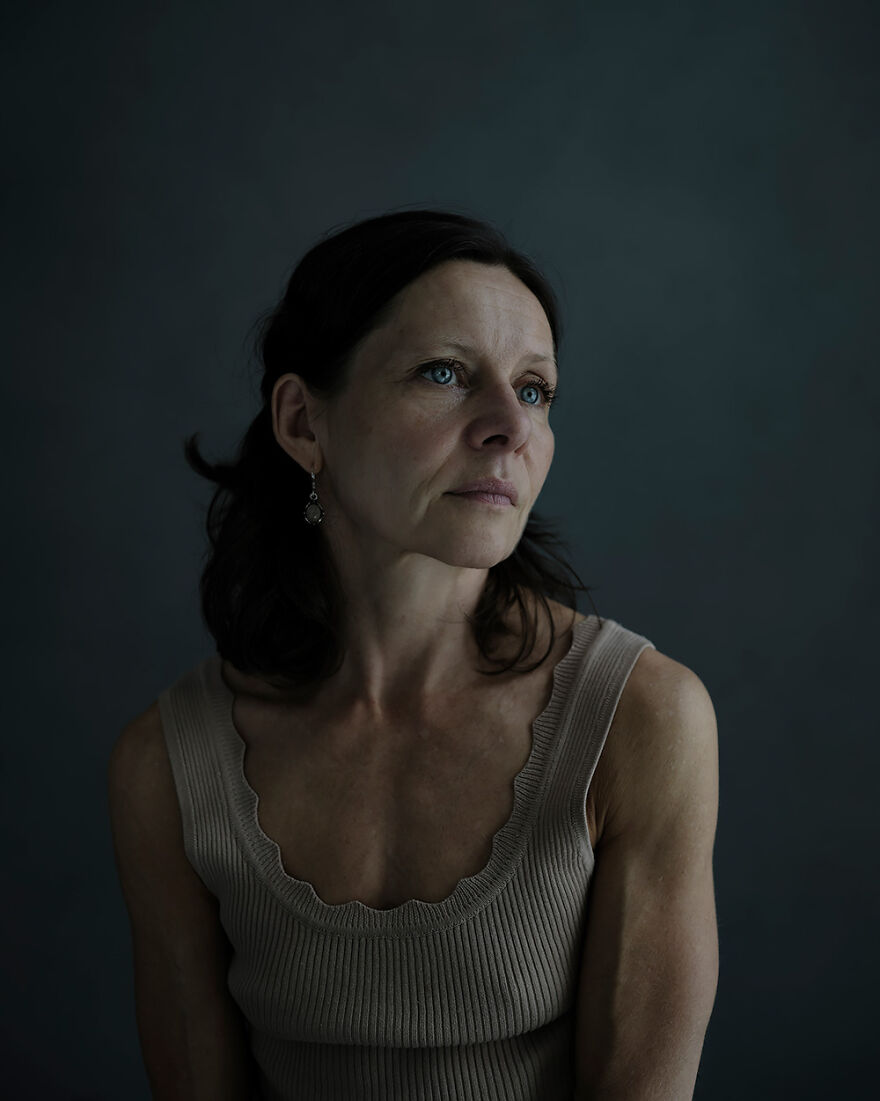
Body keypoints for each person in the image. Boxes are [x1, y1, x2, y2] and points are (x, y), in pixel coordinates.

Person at [107, 208, 719, 1100]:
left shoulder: (643, 722)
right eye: (444, 373)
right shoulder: (166, 767)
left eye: (535, 389)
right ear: (302, 422)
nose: (510, 426)